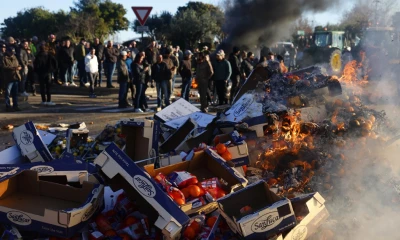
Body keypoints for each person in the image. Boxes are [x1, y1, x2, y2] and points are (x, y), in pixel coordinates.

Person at [2, 47, 21, 112]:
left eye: (13, 52)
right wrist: (14, 68)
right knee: (7, 93)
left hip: (15, 76)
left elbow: (18, 64)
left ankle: (15, 105)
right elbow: (4, 67)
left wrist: (19, 67)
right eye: (11, 52)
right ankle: (8, 106)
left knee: (15, 93)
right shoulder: (4, 58)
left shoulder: (15, 57)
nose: (12, 54)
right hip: (8, 77)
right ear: (8, 51)